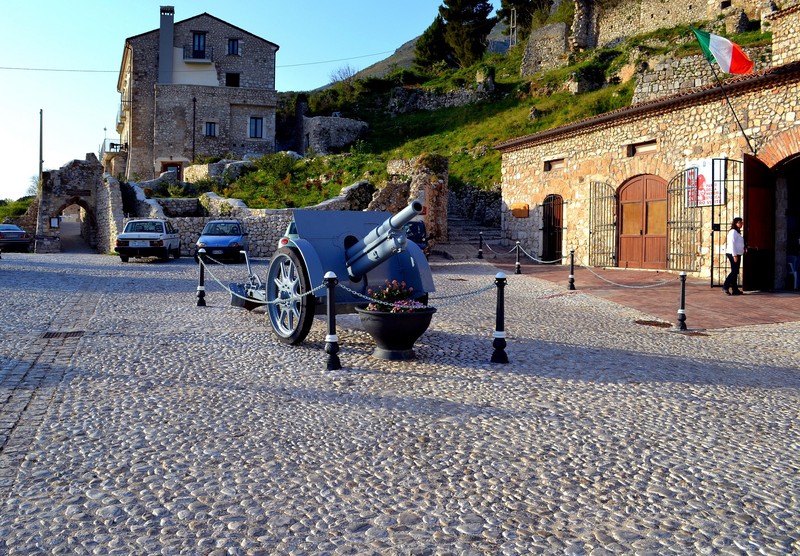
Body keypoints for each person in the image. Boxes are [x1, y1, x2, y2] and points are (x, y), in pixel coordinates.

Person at [723, 217, 745, 295]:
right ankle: (725, 286)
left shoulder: (737, 232)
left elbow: (738, 243)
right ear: (735, 223)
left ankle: (735, 289)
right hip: (733, 254)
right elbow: (732, 244)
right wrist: (734, 255)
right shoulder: (733, 232)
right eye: (740, 222)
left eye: (741, 222)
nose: (741, 224)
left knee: (735, 272)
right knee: (734, 271)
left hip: (737, 253)